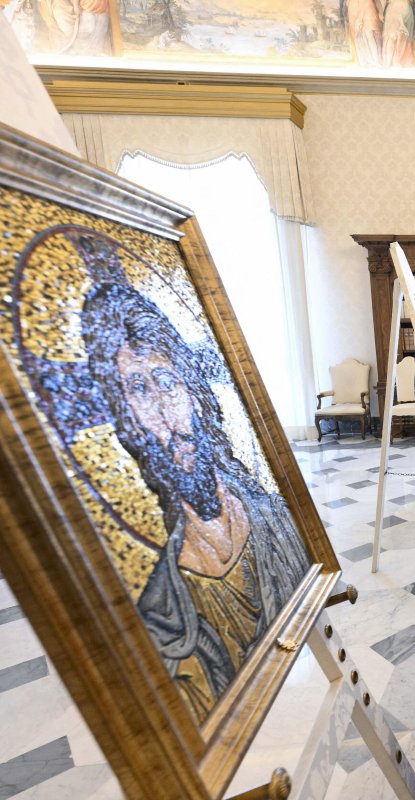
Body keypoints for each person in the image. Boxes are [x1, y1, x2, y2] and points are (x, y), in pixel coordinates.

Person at [81, 278, 310, 723]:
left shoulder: (278, 519)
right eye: (138, 390)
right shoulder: (161, 613)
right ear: (127, 425)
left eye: (167, 382)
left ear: (195, 394)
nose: (164, 411)